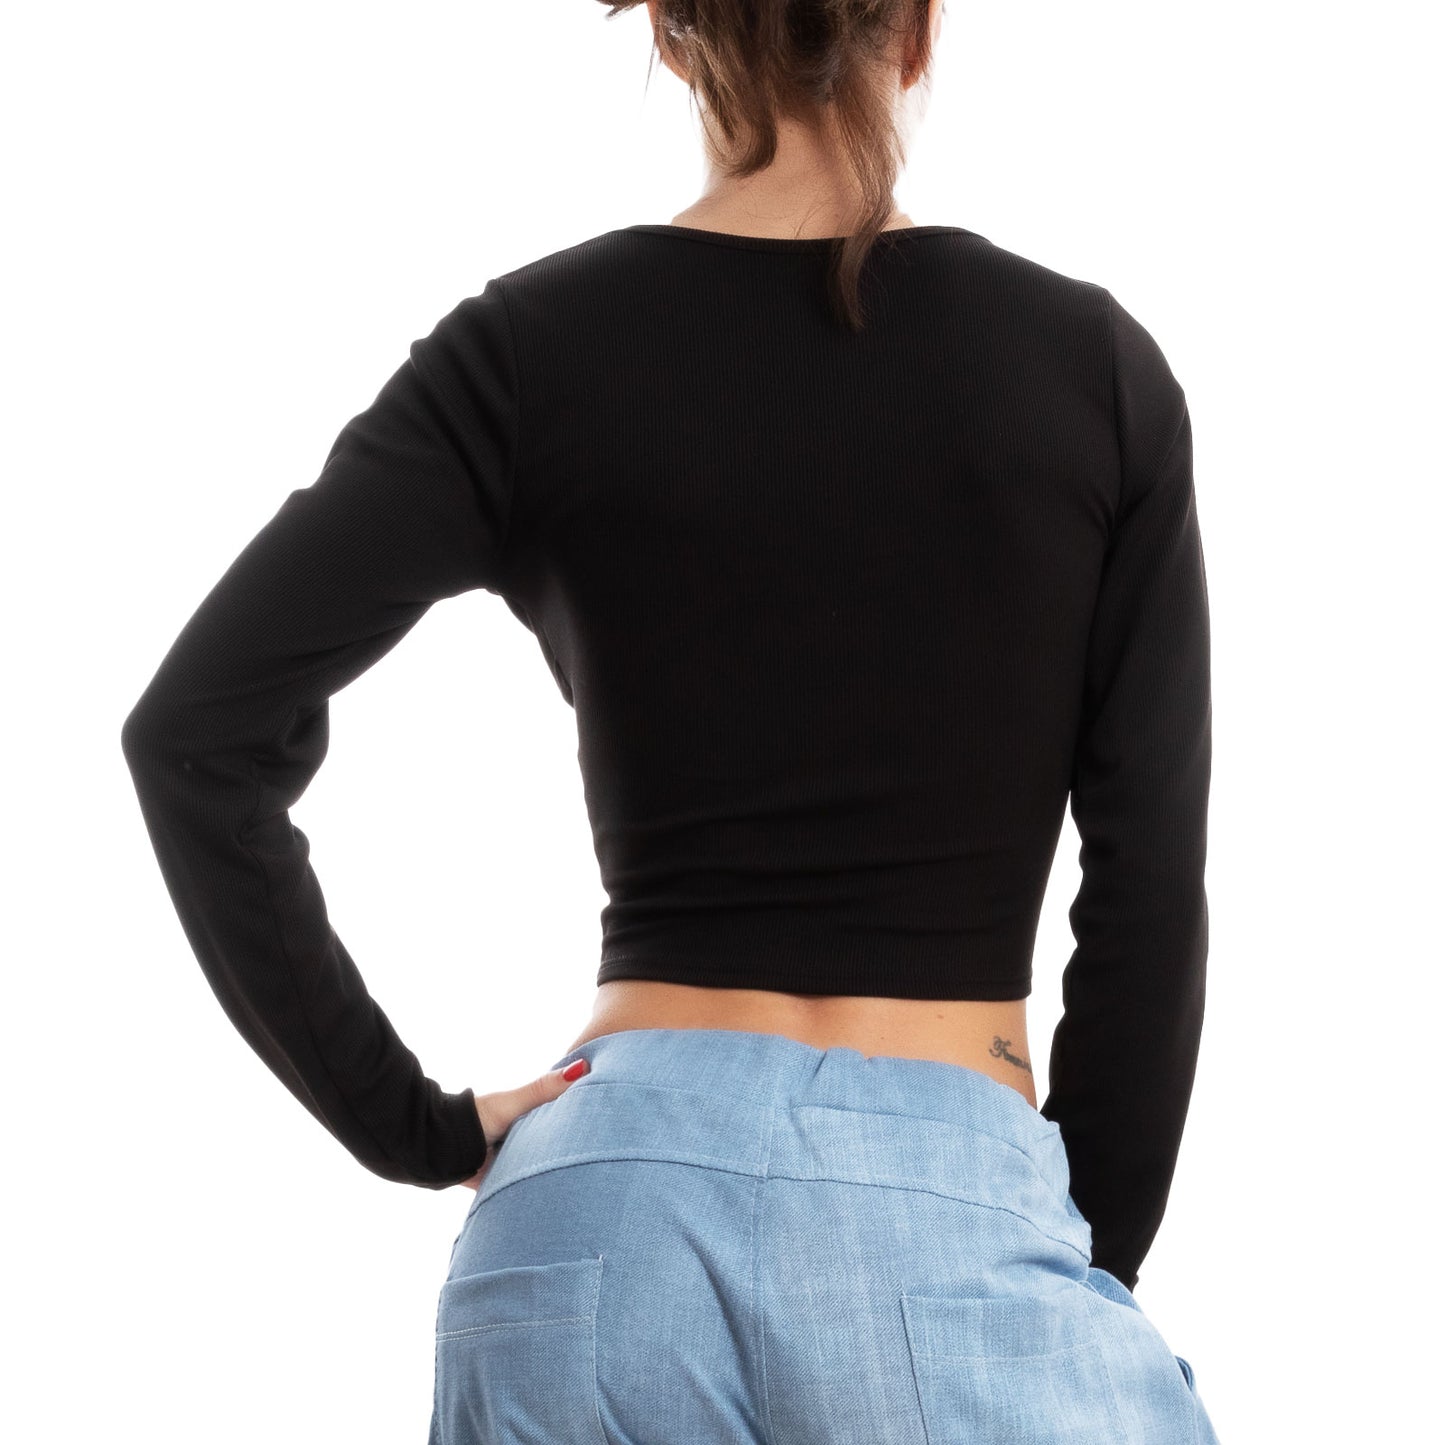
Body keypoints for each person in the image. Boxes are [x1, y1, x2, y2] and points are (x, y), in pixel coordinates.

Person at [119, 0, 1222, 1440]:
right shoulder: (1092, 371)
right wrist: (1075, 1250)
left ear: (671, 34)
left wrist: (413, 1126)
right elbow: (1146, 878)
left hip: (592, 1214)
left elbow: (196, 735)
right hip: (949, 1204)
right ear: (915, 31)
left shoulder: (525, 350)